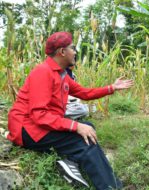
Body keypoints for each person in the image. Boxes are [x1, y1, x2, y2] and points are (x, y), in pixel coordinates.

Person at [7, 32, 133, 189]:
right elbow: (39, 115)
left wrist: (112, 87)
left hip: (38, 126)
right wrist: (76, 126)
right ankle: (113, 187)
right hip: (27, 130)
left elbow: (84, 93)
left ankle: (71, 162)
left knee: (89, 127)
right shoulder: (43, 72)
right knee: (84, 140)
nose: (75, 52)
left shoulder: (61, 75)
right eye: (72, 48)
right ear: (62, 52)